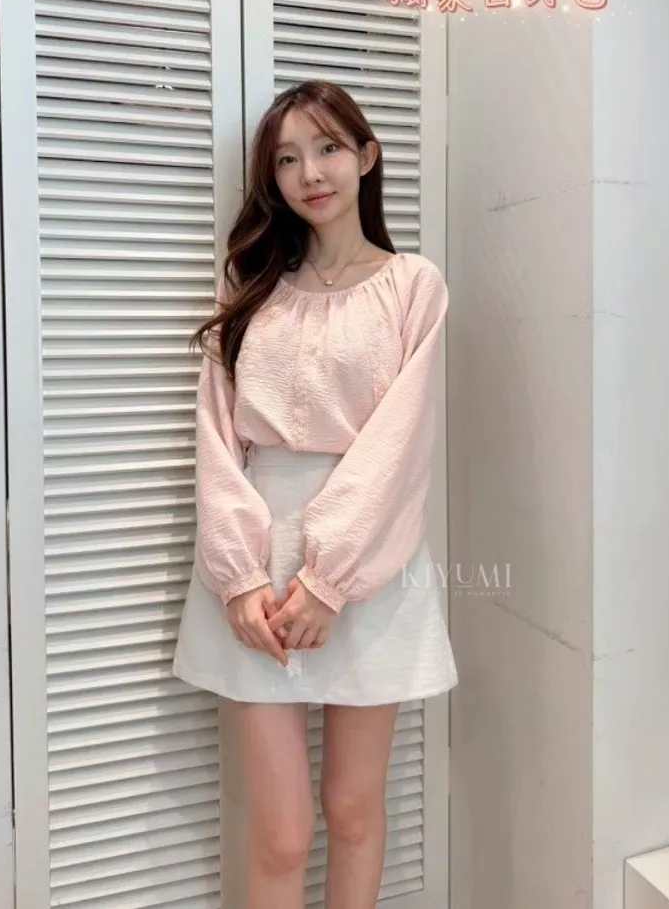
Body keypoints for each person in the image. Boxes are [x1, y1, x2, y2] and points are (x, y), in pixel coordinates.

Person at [173, 79, 458, 909]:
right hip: (256, 566)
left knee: (355, 810)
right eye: (288, 159)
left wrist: (331, 577)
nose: (310, 173)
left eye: (328, 147)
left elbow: (401, 442)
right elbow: (217, 438)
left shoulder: (413, 285)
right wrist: (239, 576)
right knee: (281, 830)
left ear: (367, 156)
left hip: (372, 562)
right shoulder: (250, 288)